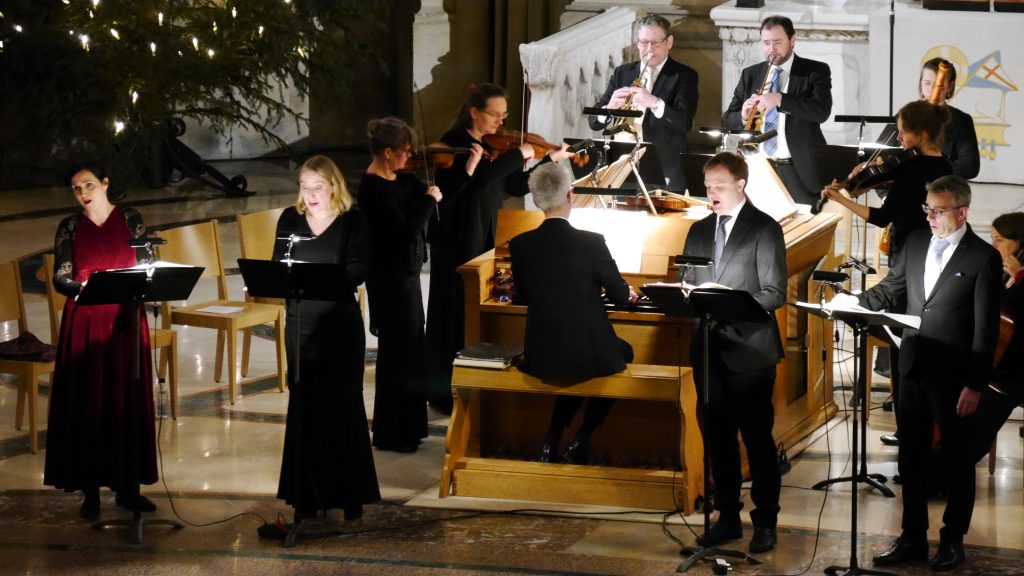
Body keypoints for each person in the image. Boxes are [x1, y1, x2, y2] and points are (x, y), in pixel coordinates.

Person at [830, 175, 1001, 572]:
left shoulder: (982, 257)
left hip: (955, 377)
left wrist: (976, 384)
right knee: (911, 458)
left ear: (962, 212)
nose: (930, 217)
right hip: (911, 367)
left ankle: (952, 539)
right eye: (927, 209)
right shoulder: (916, 242)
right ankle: (912, 537)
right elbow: (891, 289)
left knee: (956, 460)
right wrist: (853, 302)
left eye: (938, 211)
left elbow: (985, 329)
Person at [425, 83, 571, 413]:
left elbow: (513, 185)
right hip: (457, 239)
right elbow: (480, 180)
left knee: (472, 315)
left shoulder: (491, 146)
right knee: (451, 314)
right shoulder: (454, 145)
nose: (500, 123)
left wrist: (547, 158)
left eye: (504, 115)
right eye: (495, 114)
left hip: (483, 236)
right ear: (474, 112)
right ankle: (442, 390)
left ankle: (472, 381)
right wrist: (517, 155)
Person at [823, 100, 953, 443]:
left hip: (906, 254)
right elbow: (884, 179)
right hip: (934, 257)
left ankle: (907, 425)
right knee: (917, 335)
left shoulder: (911, 170)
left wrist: (841, 198)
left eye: (903, 131)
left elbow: (881, 218)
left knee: (901, 338)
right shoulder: (945, 165)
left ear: (920, 134)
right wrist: (862, 181)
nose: (897, 137)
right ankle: (917, 425)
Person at [682, 152, 787, 554]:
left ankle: (766, 521)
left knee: (757, 440)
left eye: (719, 187)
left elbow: (774, 293)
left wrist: (729, 303)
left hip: (749, 353)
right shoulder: (698, 229)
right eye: (707, 187)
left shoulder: (764, 228)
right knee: (718, 440)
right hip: (708, 350)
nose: (712, 194)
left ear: (741, 185)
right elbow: (689, 279)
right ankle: (727, 517)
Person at [359, 117, 482, 452]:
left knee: (411, 351)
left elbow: (441, 198)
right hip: (388, 280)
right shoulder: (372, 188)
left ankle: (408, 430)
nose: (409, 157)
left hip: (407, 277)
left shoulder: (401, 177)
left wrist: (468, 168)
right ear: (387, 152)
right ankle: (392, 432)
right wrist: (428, 200)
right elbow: (405, 232)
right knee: (397, 354)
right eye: (405, 152)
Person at [43, 163, 158, 518]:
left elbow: (147, 263)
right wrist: (86, 287)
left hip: (125, 320)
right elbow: (61, 277)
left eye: (89, 185)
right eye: (76, 188)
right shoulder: (70, 227)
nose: (83, 193)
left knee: (125, 400)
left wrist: (141, 278)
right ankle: (90, 491)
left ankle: (129, 487)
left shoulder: (131, 218)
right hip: (86, 320)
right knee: (88, 401)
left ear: (106, 184)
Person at [271, 155, 379, 522]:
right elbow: (277, 263)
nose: (311, 194)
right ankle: (306, 496)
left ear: (334, 186)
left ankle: (349, 494)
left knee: (343, 405)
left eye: (318, 187)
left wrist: (323, 278)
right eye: (305, 186)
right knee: (305, 404)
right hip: (300, 322)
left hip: (339, 324)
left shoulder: (354, 219)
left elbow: (358, 269)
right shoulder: (290, 219)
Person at [508, 161, 636, 464]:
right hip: (587, 352)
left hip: (540, 352)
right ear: (571, 195)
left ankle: (552, 436)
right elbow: (620, 297)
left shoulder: (520, 244)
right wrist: (619, 291)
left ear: (536, 201)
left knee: (574, 362)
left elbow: (523, 295)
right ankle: (583, 436)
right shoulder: (591, 243)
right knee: (620, 353)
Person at [723, 15, 832, 206]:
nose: (771, 49)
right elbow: (727, 119)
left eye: (777, 42)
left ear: (792, 40)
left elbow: (821, 112)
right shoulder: (751, 74)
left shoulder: (815, 71)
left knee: (804, 229)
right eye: (766, 43)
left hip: (798, 168)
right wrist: (742, 115)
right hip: (759, 167)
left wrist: (782, 99)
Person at [588, 14, 699, 192]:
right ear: (637, 43)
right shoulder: (622, 73)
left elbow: (684, 123)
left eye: (655, 43)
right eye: (643, 42)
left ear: (669, 42)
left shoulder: (684, 75)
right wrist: (609, 108)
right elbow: (593, 122)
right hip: (621, 168)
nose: (649, 49)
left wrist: (655, 103)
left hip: (663, 171)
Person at [876, 58, 980, 180]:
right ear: (920, 84)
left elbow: (970, 166)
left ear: (950, 86)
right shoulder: (906, 114)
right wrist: (884, 195)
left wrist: (930, 170)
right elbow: (879, 156)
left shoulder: (961, 120)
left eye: (938, 84)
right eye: (927, 83)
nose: (932, 89)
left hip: (944, 191)